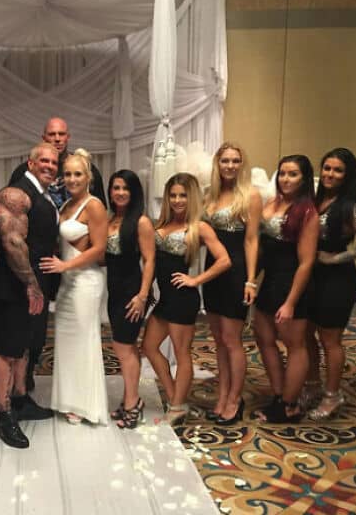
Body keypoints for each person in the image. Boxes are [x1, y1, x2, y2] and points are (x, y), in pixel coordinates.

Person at [10, 117, 106, 391]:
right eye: (51, 134)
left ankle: (79, 385)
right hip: (40, 259)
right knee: (34, 321)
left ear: (68, 136)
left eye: (61, 134)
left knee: (77, 324)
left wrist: (89, 248)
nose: (57, 138)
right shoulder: (24, 170)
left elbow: (100, 215)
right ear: (43, 137)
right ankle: (26, 373)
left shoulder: (86, 168)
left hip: (75, 258)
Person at [143, 173, 231, 425]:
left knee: (182, 353)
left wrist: (195, 280)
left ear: (191, 198)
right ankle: (176, 398)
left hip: (183, 299)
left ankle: (177, 406)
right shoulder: (161, 224)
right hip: (165, 299)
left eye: (183, 195)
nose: (177, 200)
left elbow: (224, 260)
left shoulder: (199, 227)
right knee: (149, 347)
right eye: (173, 195)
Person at [0, 142, 59, 449]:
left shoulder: (43, 194)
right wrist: (31, 284)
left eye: (54, 162)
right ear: (30, 163)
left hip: (35, 283)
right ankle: (4, 415)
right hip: (15, 284)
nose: (49, 166)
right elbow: (12, 242)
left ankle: (20, 399)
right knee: (8, 349)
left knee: (27, 345)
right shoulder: (16, 194)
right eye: (44, 161)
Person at [304, 148, 356, 420]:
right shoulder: (316, 199)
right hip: (312, 276)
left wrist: (336, 258)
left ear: (347, 176)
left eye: (337, 170)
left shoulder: (350, 205)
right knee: (306, 334)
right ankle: (312, 384)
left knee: (330, 340)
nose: (330, 174)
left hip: (338, 281)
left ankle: (333, 395)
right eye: (327, 168)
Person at [40, 149, 108, 424]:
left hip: (86, 281)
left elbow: (100, 249)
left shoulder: (94, 205)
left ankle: (86, 406)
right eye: (67, 174)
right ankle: (69, 400)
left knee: (84, 339)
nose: (72, 179)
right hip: (67, 281)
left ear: (88, 176)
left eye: (77, 174)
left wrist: (66, 265)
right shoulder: (67, 205)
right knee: (67, 342)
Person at [253, 154, 318, 423]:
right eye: (282, 173)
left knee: (295, 345)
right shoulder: (272, 203)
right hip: (269, 281)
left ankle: (290, 406)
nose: (285, 179)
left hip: (292, 284)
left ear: (304, 179)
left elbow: (306, 262)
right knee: (263, 337)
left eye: (293, 174)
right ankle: (280, 396)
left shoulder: (308, 212)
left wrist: (290, 302)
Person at [202, 143, 262, 425]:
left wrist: (251, 280)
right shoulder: (209, 195)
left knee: (232, 340)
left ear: (242, 164)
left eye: (235, 161)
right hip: (212, 271)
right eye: (225, 160)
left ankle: (235, 400)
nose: (230, 165)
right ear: (218, 163)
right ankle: (223, 394)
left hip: (236, 272)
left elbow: (252, 240)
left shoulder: (250, 195)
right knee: (218, 341)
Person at [103, 170, 155, 429]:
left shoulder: (141, 221)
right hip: (114, 292)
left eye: (125, 188)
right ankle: (129, 400)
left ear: (134, 192)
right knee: (127, 348)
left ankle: (133, 403)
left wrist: (142, 296)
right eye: (116, 188)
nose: (120, 192)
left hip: (132, 293)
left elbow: (150, 260)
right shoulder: (111, 220)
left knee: (123, 349)